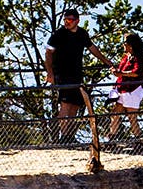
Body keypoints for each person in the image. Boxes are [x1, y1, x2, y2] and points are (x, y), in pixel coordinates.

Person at [45, 8, 111, 142]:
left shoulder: (82, 34)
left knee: (75, 104)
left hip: (77, 74)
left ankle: (70, 136)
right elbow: (48, 53)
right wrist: (50, 73)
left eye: (69, 20)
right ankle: (64, 136)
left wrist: (107, 62)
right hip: (62, 74)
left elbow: (92, 48)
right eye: (65, 19)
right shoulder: (59, 34)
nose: (67, 22)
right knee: (65, 104)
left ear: (77, 21)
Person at [108, 31, 143, 143]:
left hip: (132, 90)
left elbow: (136, 72)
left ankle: (139, 140)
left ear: (130, 45)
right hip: (123, 89)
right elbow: (122, 71)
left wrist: (121, 73)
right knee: (115, 113)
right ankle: (112, 138)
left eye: (125, 42)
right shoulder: (126, 57)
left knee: (132, 117)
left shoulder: (137, 57)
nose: (123, 45)